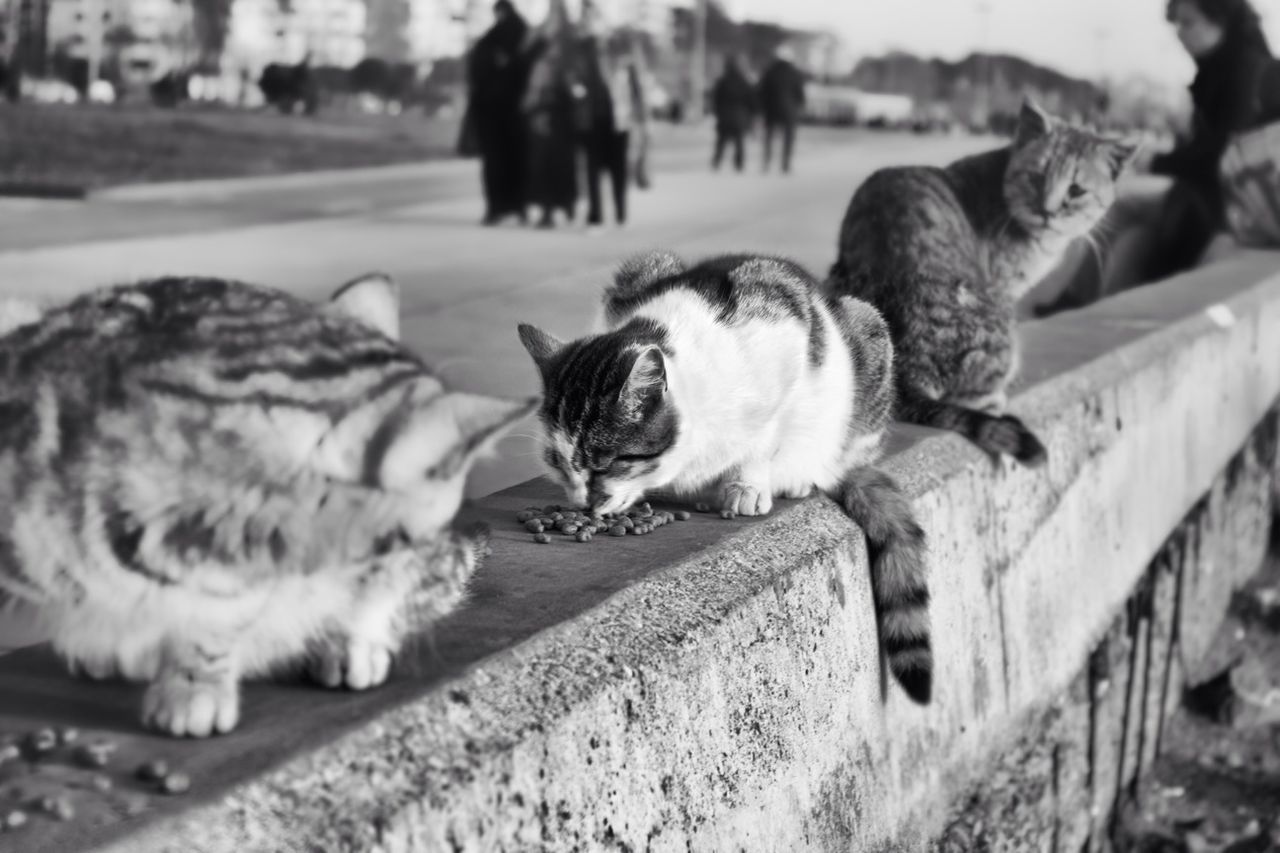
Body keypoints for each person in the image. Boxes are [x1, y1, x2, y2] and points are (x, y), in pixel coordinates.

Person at [1036, 0, 1273, 315]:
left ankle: (1093, 314)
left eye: (1188, 23)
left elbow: (1221, 154)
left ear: (1221, 22)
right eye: (1176, 24)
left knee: (1134, 235)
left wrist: (1155, 161)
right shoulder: (1223, 69)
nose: (1179, 33)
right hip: (1207, 202)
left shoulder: (1245, 71)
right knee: (1128, 224)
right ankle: (1087, 309)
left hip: (1228, 215)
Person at [465, 0, 533, 226]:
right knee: (519, 161)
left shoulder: (490, 39)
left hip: (492, 113)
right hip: (519, 114)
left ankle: (496, 210)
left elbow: (477, 73)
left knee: (494, 162)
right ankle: (520, 207)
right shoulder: (525, 36)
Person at [578, 36, 644, 230]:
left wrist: (641, 123)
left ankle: (621, 215)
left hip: (619, 125)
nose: (604, 53)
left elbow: (637, 95)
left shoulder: (627, 67)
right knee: (593, 172)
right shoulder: (588, 68)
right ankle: (596, 217)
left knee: (619, 172)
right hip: (594, 124)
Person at [523, 34, 581, 228]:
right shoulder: (541, 68)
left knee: (559, 169)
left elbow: (574, 97)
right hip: (546, 126)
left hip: (561, 127)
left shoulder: (567, 70)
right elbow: (531, 98)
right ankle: (550, 210)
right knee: (546, 169)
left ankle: (564, 205)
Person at [757, 45, 806, 174]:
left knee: (769, 137)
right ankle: (785, 164)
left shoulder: (769, 71)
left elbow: (761, 91)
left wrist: (761, 108)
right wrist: (800, 106)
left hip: (771, 109)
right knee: (788, 138)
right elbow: (800, 93)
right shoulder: (795, 73)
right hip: (789, 110)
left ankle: (766, 162)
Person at [711, 55, 755, 172]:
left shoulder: (722, 81)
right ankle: (739, 164)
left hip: (725, 115)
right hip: (739, 115)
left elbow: (716, 99)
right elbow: (751, 99)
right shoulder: (743, 81)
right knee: (739, 141)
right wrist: (750, 114)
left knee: (721, 141)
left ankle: (716, 162)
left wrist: (718, 112)